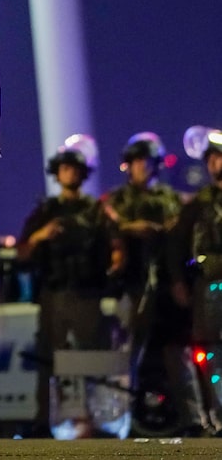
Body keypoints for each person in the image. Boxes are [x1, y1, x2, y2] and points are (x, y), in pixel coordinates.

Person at [104, 132, 205, 436]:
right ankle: (122, 422)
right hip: (131, 288)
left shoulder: (171, 199)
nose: (141, 167)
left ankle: (193, 419)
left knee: (178, 354)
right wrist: (132, 228)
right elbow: (107, 221)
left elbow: (184, 224)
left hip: (166, 288)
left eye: (146, 161)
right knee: (126, 356)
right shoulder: (117, 200)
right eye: (136, 161)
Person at [17, 144, 122, 436]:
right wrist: (41, 235)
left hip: (88, 294)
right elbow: (23, 251)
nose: (70, 173)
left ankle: (94, 418)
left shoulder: (96, 210)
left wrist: (113, 269)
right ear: (57, 173)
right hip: (55, 294)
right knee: (49, 359)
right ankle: (48, 420)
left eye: (75, 168)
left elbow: (116, 247)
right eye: (65, 168)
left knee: (90, 359)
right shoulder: (46, 211)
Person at [169, 128, 222, 436]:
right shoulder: (197, 205)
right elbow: (176, 246)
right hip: (208, 286)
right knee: (206, 353)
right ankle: (213, 418)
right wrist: (178, 281)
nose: (215, 162)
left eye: (219, 156)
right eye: (211, 158)